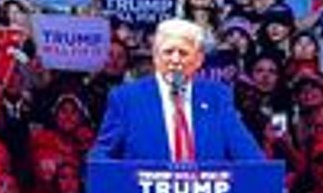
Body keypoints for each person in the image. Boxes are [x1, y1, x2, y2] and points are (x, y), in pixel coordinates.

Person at [91, 18, 262, 164]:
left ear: (198, 60)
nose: (175, 60)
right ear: (155, 57)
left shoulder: (217, 96)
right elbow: (101, 157)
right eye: (168, 52)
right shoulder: (126, 99)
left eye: (183, 53)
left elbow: (248, 155)